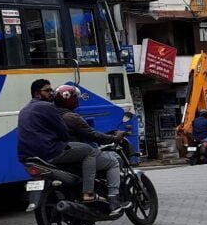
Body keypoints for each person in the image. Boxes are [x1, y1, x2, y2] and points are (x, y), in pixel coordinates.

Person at [16, 79, 99, 206]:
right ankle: (88, 193)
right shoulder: (48, 107)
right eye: (47, 90)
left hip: (27, 156)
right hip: (48, 152)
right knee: (89, 151)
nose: (52, 93)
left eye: (52, 90)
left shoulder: (24, 109)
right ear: (37, 94)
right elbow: (64, 132)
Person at [54, 85, 130, 214]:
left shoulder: (52, 115)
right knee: (113, 161)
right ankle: (113, 199)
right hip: (76, 154)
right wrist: (114, 138)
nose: (77, 100)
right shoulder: (71, 117)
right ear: (70, 100)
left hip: (58, 155)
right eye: (75, 98)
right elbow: (94, 135)